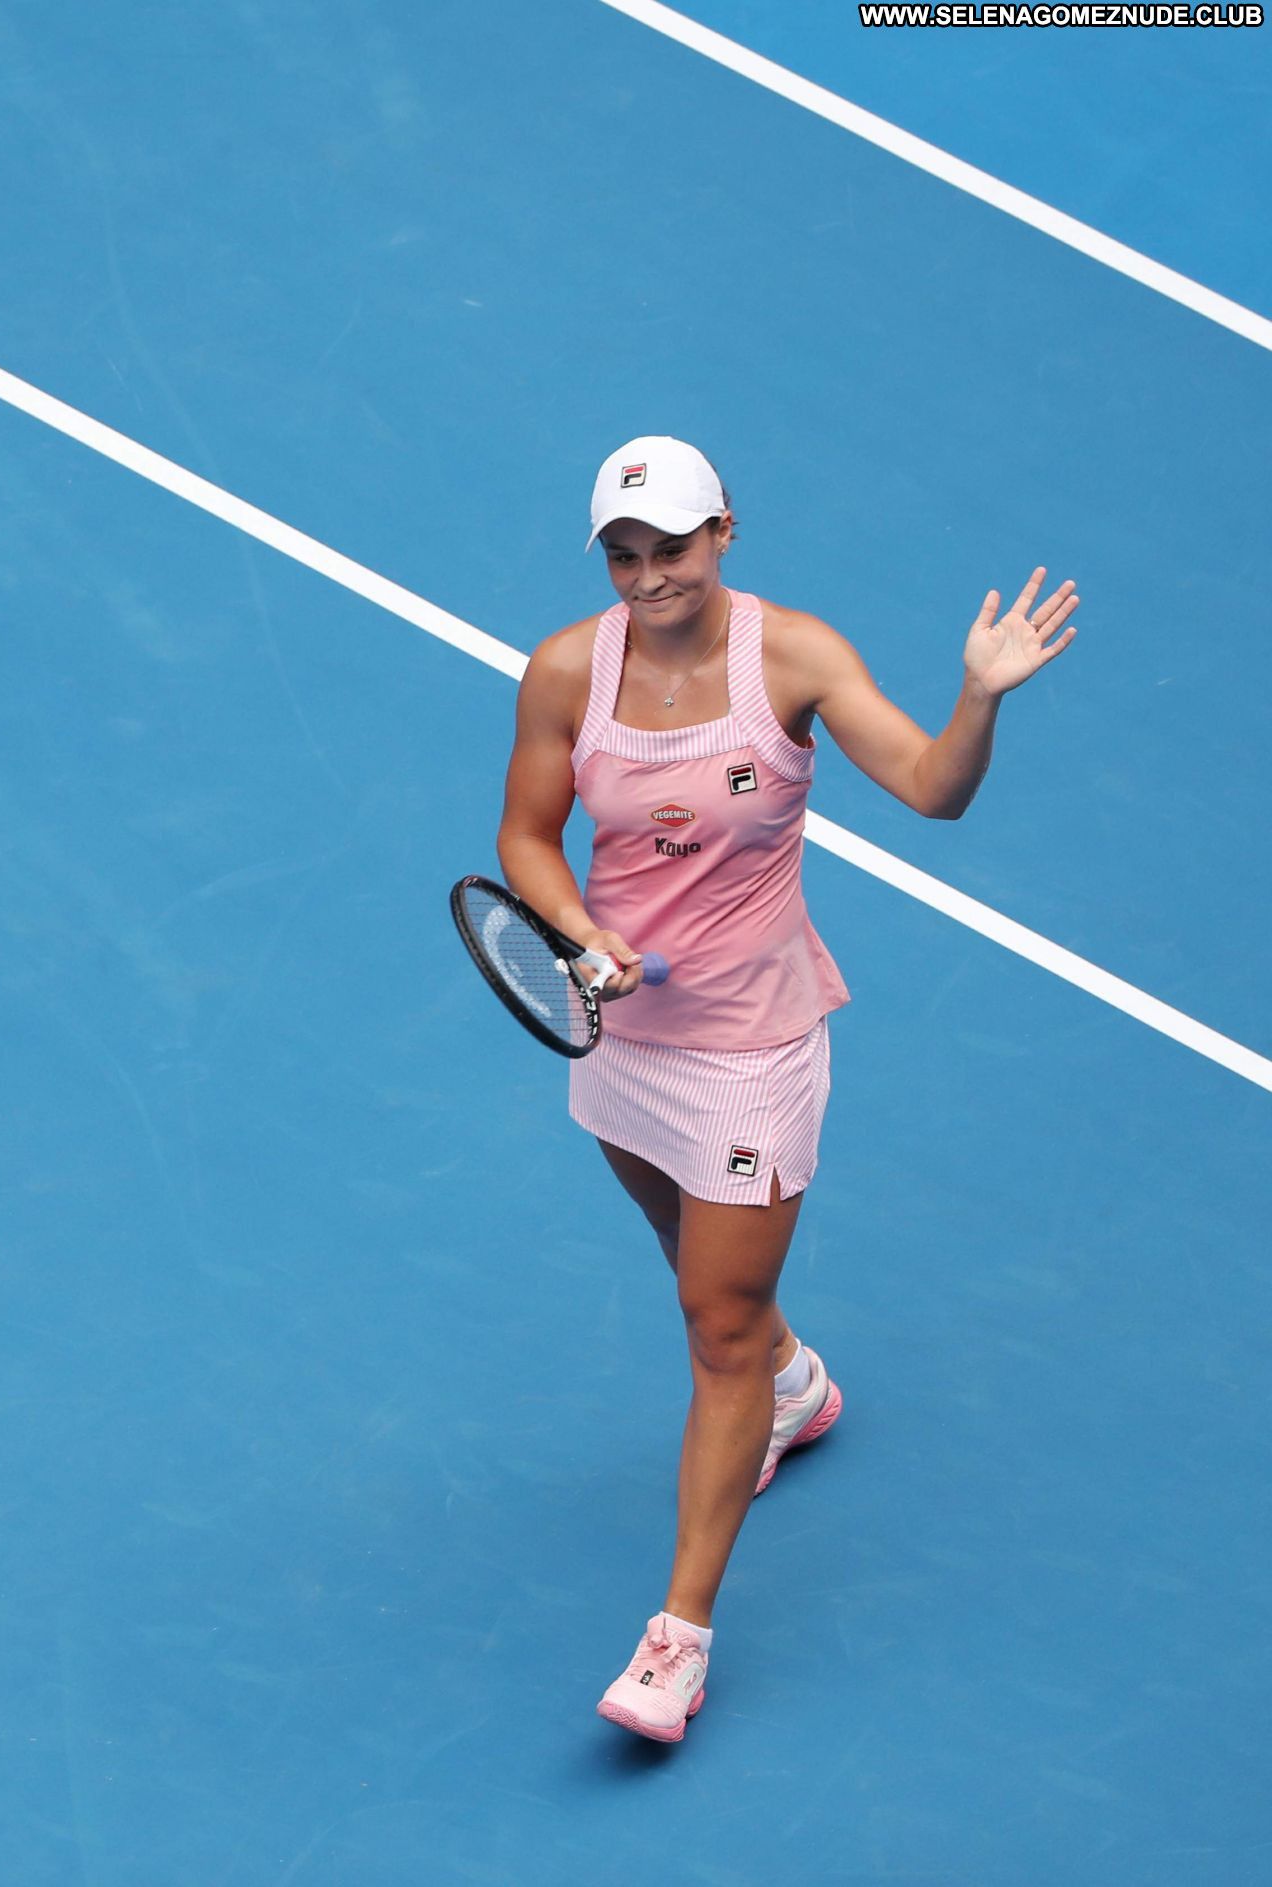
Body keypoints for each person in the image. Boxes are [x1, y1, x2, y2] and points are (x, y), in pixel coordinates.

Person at [496, 435, 1078, 1744]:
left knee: (715, 1327)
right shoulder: (566, 671)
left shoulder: (796, 659)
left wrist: (979, 699)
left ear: (725, 532)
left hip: (753, 1053)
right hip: (624, 1036)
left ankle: (678, 1639)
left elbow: (932, 789)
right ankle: (794, 1386)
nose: (649, 575)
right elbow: (526, 836)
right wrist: (580, 934)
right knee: (698, 1269)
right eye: (624, 555)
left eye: (673, 546)